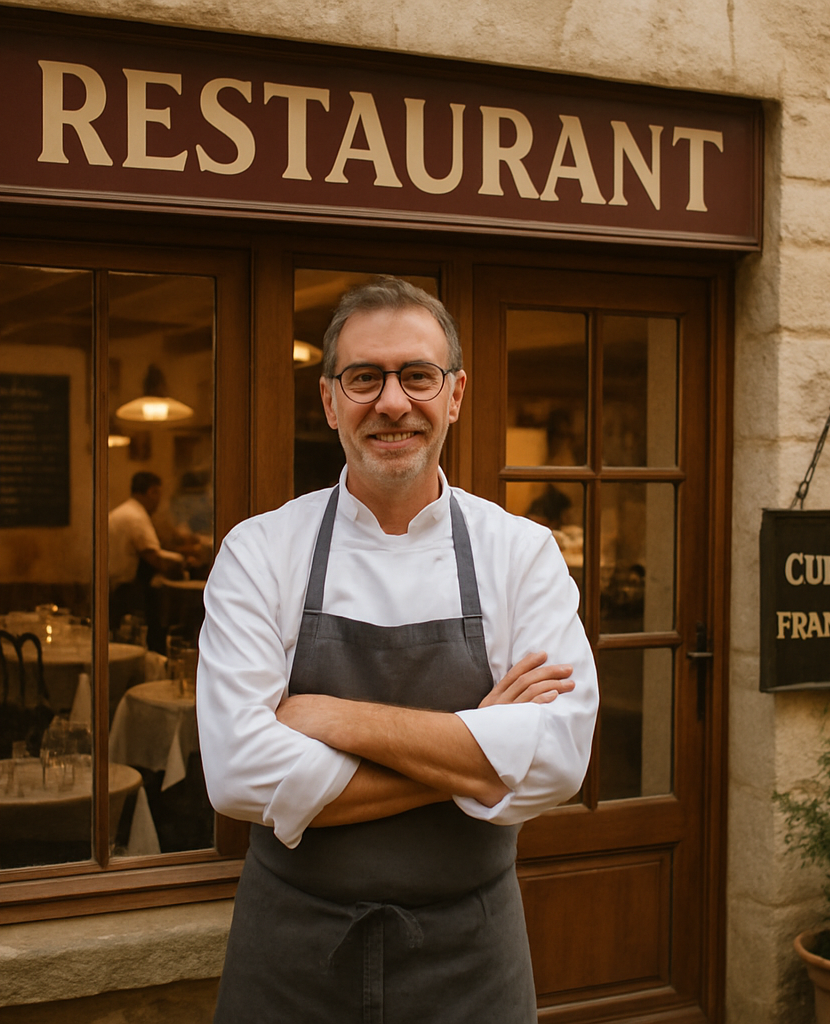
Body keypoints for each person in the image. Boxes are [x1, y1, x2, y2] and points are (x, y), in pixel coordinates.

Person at [196, 277, 599, 1023]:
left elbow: (557, 760)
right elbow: (238, 774)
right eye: (364, 378)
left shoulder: (521, 554)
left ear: (454, 395)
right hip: (292, 950)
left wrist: (337, 720)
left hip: (471, 953)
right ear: (328, 401)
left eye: (417, 375)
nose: (391, 403)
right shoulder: (259, 551)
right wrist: (477, 748)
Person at [108, 471, 183, 643]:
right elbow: (154, 557)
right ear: (152, 492)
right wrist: (181, 563)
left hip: (115, 589)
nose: (159, 500)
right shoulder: (135, 516)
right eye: (158, 494)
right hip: (126, 594)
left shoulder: (124, 511)